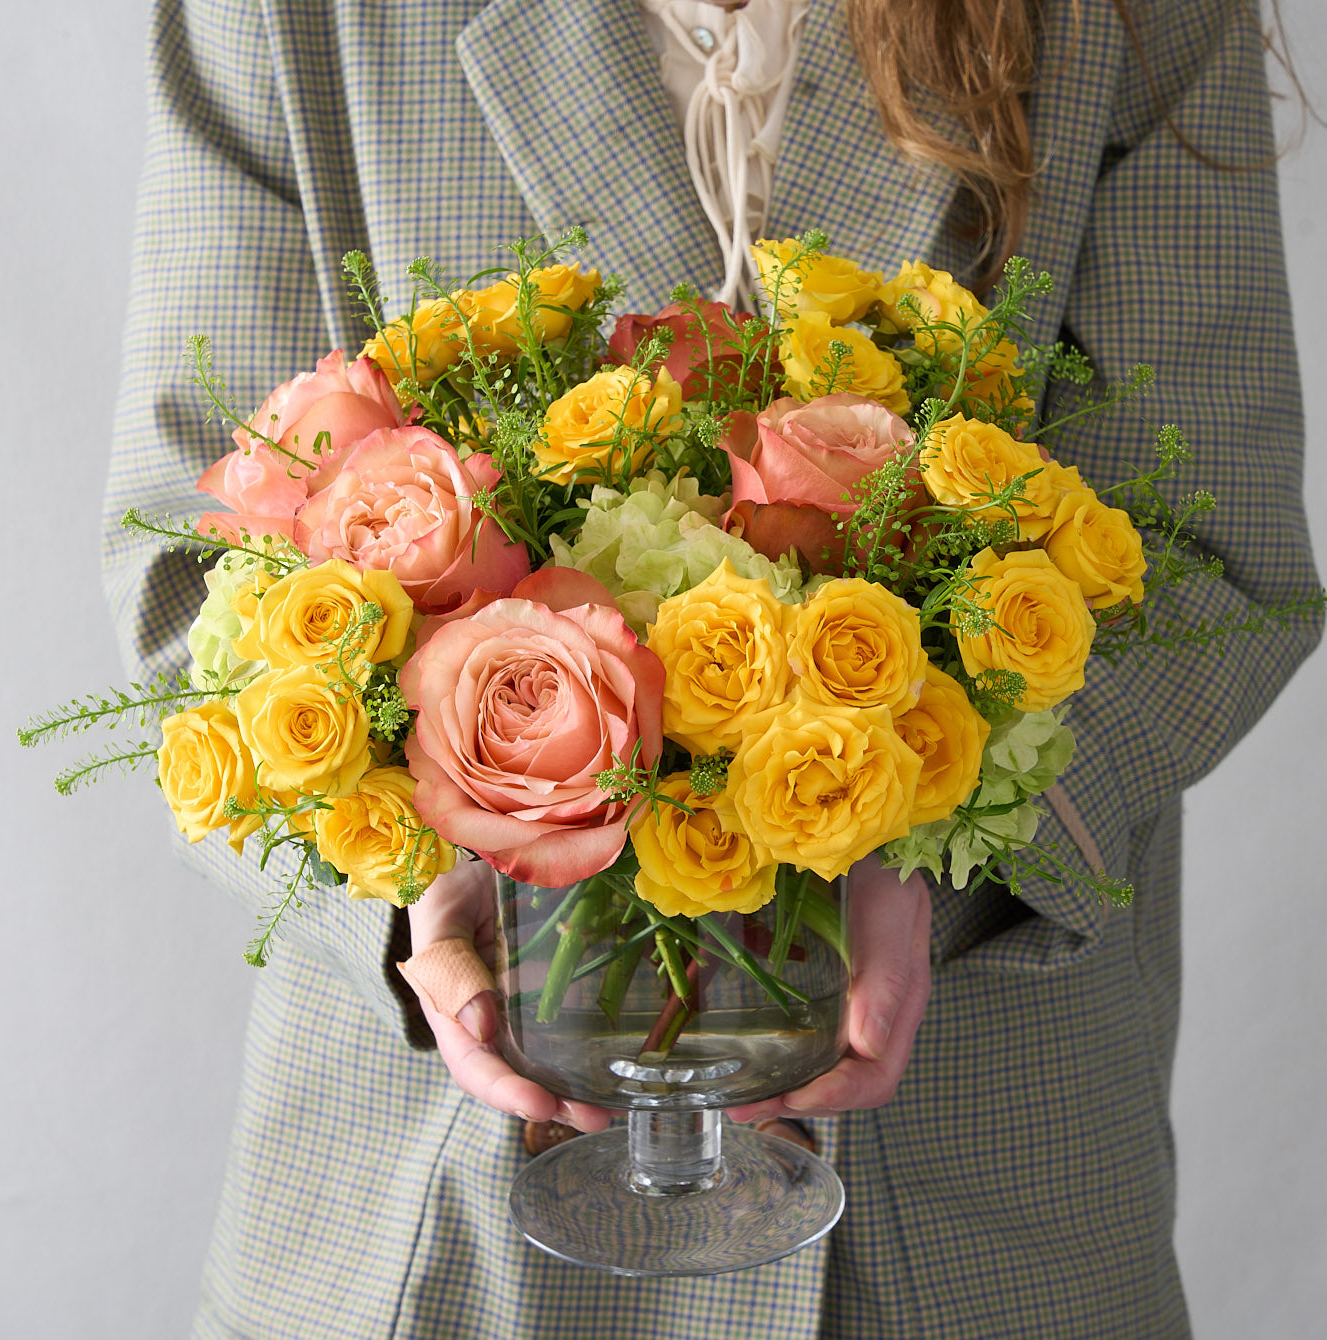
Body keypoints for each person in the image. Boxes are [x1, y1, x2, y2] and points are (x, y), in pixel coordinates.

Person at [103, 1, 1322, 1336]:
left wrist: (923, 835)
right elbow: (195, 558)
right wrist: (434, 875)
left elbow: (1204, 550)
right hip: (437, 1201)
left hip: (967, 1192)